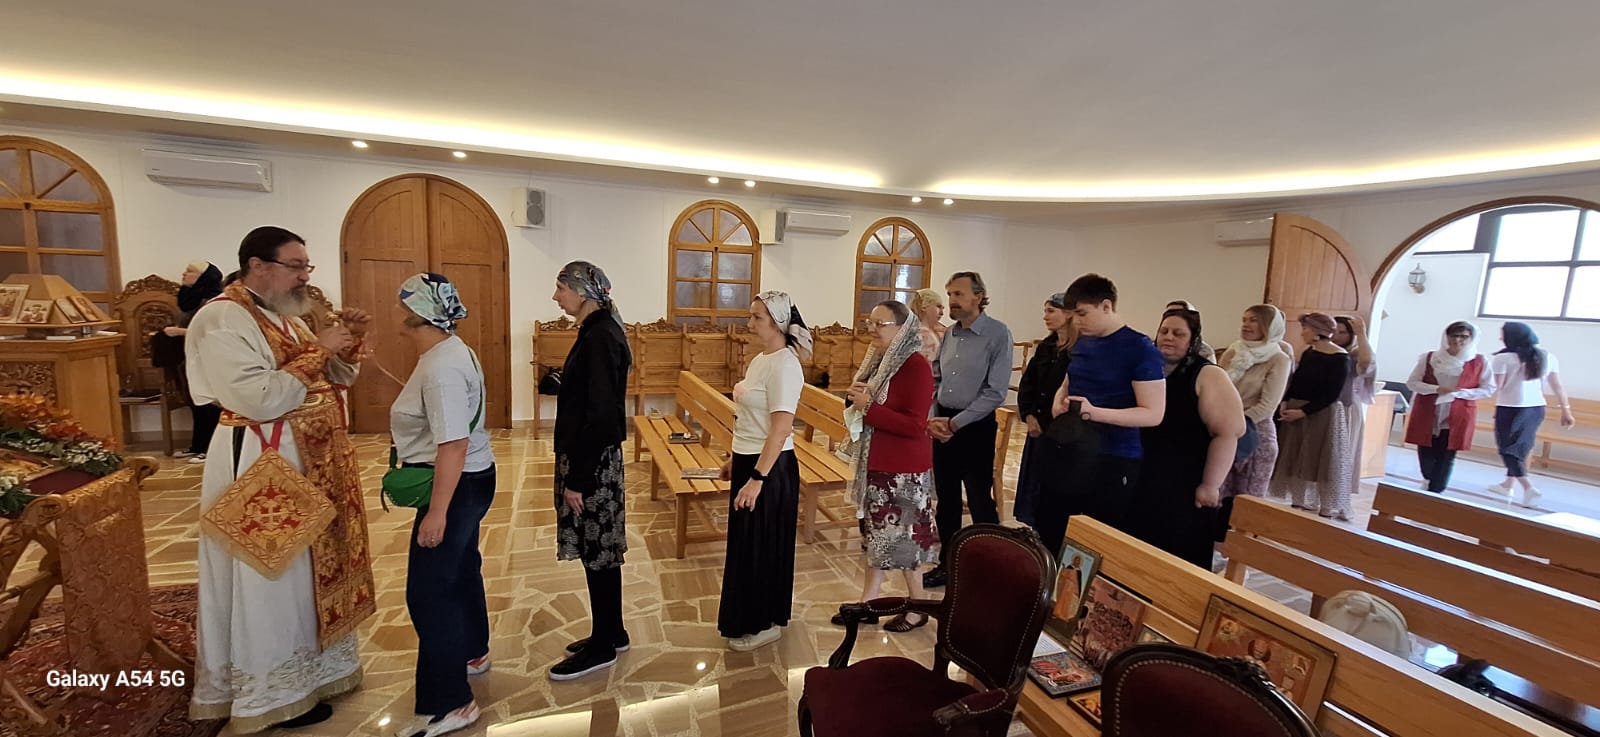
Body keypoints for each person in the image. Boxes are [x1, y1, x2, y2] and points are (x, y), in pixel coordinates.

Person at [187, 226, 375, 732]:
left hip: (308, 461)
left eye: (306, 267)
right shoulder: (222, 317)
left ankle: (316, 673)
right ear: (257, 266)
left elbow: (335, 378)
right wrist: (319, 349)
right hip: (260, 462)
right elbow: (258, 398)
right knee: (269, 575)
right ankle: (272, 692)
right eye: (296, 267)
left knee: (306, 572)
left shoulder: (284, 317)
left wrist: (346, 342)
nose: (304, 277)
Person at [390, 273, 494, 737]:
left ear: (418, 315)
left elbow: (452, 443)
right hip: (471, 478)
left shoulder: (441, 368)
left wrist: (437, 512)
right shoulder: (450, 351)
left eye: (403, 308)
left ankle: (452, 702)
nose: (398, 317)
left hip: (454, 484)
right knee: (461, 569)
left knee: (430, 593)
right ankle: (473, 651)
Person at [1038, 274, 1165, 554]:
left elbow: (1153, 414)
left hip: (1114, 456)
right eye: (1073, 315)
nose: (1076, 322)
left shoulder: (1140, 349)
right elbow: (1069, 381)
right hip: (1072, 449)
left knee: (1096, 542)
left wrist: (1094, 413)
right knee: (1053, 528)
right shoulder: (1084, 341)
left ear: (1106, 306)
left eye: (1082, 313)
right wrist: (1059, 399)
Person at [549, 261, 633, 679]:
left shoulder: (600, 335)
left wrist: (578, 480)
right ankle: (611, 631)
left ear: (582, 292)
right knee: (599, 553)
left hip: (592, 462)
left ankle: (602, 647)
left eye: (561, 288)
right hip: (592, 456)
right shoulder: (596, 330)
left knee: (598, 553)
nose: (556, 296)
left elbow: (601, 416)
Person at [718, 291, 810, 651]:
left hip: (770, 468)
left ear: (777, 322)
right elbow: (749, 417)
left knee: (763, 546)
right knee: (746, 546)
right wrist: (735, 459)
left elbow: (781, 429)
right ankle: (745, 617)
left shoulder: (785, 366)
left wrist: (757, 479)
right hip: (749, 459)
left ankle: (765, 622)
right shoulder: (760, 359)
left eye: (757, 317)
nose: (750, 323)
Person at [841, 300, 936, 632]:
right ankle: (868, 602)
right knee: (875, 537)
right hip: (878, 463)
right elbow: (869, 405)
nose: (871, 329)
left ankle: (918, 607)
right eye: (869, 322)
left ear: (902, 328)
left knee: (906, 542)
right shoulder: (882, 361)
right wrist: (854, 398)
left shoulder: (916, 366)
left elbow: (915, 424)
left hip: (904, 469)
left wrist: (868, 407)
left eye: (879, 324)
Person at [1132, 309, 1245, 569]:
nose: (1168, 338)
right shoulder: (1148, 369)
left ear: (1193, 339)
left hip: (1186, 481)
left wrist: (1210, 485)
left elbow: (1228, 433)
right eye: (1164, 331)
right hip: (1145, 476)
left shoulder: (1208, 374)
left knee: (1178, 553)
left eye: (1178, 333)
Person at [924, 272, 1013, 588]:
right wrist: (935, 418)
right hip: (944, 424)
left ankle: (990, 566)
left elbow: (995, 391)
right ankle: (948, 563)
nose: (952, 301)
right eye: (949, 294)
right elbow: (937, 378)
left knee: (978, 499)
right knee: (946, 500)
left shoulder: (997, 334)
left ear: (979, 296)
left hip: (974, 427)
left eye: (958, 294)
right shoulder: (950, 334)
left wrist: (956, 423)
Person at [1270, 313, 1355, 520]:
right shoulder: (1310, 352)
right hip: (1296, 410)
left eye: (1305, 329)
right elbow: (1297, 380)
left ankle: (1326, 505)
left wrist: (1303, 412)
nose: (1302, 333)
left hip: (1321, 413)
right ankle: (1298, 500)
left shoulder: (1340, 357)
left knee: (1323, 460)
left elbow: (1331, 393)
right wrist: (1286, 401)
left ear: (1318, 332)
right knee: (1296, 456)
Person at [1218, 305, 1292, 532]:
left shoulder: (1278, 359)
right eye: (1244, 319)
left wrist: (1233, 423)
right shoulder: (1233, 351)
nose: (1246, 325)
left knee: (1247, 501)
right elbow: (1216, 387)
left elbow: (1267, 406)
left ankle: (1243, 547)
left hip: (1254, 433)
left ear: (1269, 327)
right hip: (1222, 430)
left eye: (1254, 320)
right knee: (1218, 494)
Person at [1404, 321, 1496, 493]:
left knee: (1447, 454)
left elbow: (1488, 388)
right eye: (1454, 335)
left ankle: (1436, 491)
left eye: (1463, 336)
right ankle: (1430, 480)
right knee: (1425, 452)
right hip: (1429, 410)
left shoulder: (1480, 361)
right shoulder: (1430, 358)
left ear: (1471, 338)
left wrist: (1462, 393)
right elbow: (1412, 382)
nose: (1458, 340)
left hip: (1458, 412)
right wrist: (1436, 389)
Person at [1490, 322, 1575, 506]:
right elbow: (1557, 386)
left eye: (1502, 334)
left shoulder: (1503, 358)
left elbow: (1498, 386)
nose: (1500, 338)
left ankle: (1528, 488)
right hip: (1536, 408)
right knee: (1520, 447)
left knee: (1508, 448)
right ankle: (1507, 484)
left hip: (1510, 408)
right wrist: (1566, 410)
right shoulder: (1548, 356)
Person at [1014, 292, 1077, 527]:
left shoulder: (1079, 351)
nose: (1045, 317)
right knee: (1033, 488)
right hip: (1038, 427)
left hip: (1062, 433)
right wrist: (1029, 415)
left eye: (1051, 311)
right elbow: (1028, 383)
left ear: (1068, 314)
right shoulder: (1046, 347)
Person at [155, 261, 225, 462]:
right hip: (189, 357)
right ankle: (198, 445)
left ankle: (210, 448)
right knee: (196, 403)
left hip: (208, 359)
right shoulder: (190, 299)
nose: (184, 274)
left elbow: (213, 332)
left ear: (203, 277)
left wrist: (178, 332)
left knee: (209, 403)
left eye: (190, 272)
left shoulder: (214, 301)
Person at [1333, 315, 1377, 498]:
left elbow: (1366, 364)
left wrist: (1361, 334)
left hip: (1348, 407)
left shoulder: (1356, 353)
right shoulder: (1326, 350)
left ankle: (1338, 496)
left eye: (1342, 332)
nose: (1336, 336)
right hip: (1326, 406)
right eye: (1334, 331)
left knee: (1343, 453)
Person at [911, 287, 946, 360]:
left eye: (942, 308)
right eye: (938, 306)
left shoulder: (944, 331)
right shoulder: (913, 332)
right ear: (924, 306)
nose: (942, 313)